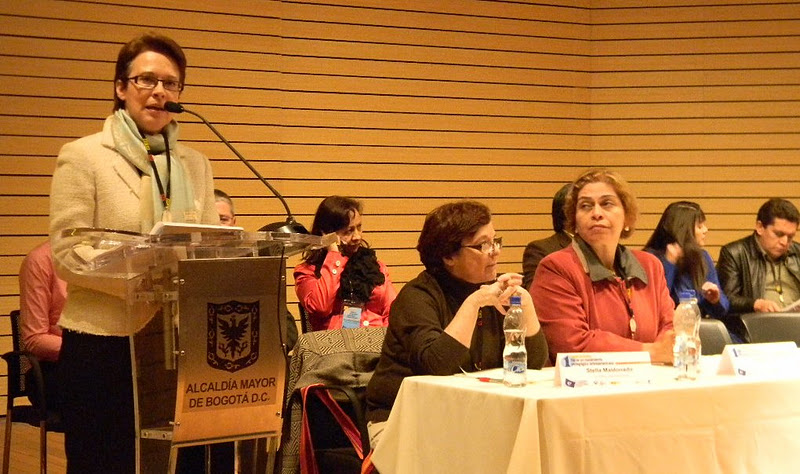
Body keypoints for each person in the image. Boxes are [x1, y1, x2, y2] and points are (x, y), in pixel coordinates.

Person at [49, 32, 217, 473]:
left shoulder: (195, 164)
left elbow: (209, 247)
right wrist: (141, 281)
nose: (159, 91)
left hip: (178, 344)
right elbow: (67, 252)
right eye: (146, 80)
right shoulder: (84, 156)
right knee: (106, 462)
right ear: (121, 88)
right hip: (104, 345)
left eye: (170, 83)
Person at [365, 200, 548, 447]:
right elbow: (437, 366)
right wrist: (473, 304)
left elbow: (533, 364)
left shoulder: (496, 292)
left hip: (471, 417)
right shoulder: (417, 297)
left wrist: (525, 304)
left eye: (495, 241)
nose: (495, 252)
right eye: (483, 245)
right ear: (448, 255)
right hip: (403, 420)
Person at [531, 169, 675, 364]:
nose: (596, 213)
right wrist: (651, 352)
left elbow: (670, 328)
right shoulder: (555, 268)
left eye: (607, 203)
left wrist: (664, 349)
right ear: (574, 221)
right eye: (585, 206)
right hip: (584, 382)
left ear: (627, 217)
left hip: (652, 379)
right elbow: (572, 344)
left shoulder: (650, 266)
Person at [294, 196, 397, 331]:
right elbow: (320, 307)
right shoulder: (307, 272)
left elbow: (393, 312)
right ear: (327, 233)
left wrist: (385, 339)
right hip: (336, 342)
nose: (357, 237)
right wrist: (333, 255)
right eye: (349, 231)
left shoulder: (375, 267)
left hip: (377, 340)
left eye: (359, 227)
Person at [716, 198, 800, 341]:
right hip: (756, 332)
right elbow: (726, 299)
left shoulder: (797, 252)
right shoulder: (735, 253)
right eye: (779, 234)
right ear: (760, 227)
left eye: (790, 236)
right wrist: (756, 304)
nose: (785, 242)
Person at [643, 201, 731, 325]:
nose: (705, 230)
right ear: (683, 230)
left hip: (699, 327)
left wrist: (716, 300)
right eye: (699, 226)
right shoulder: (650, 258)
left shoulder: (702, 257)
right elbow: (654, 305)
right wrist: (669, 264)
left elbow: (723, 310)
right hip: (665, 328)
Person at [18, 240, 67, 410]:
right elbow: (35, 339)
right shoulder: (40, 260)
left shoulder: (105, 260)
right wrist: (82, 349)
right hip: (54, 367)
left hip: (96, 363)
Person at [522, 183, 572, 291]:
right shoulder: (540, 250)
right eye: (585, 206)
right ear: (566, 212)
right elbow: (538, 294)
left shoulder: (607, 250)